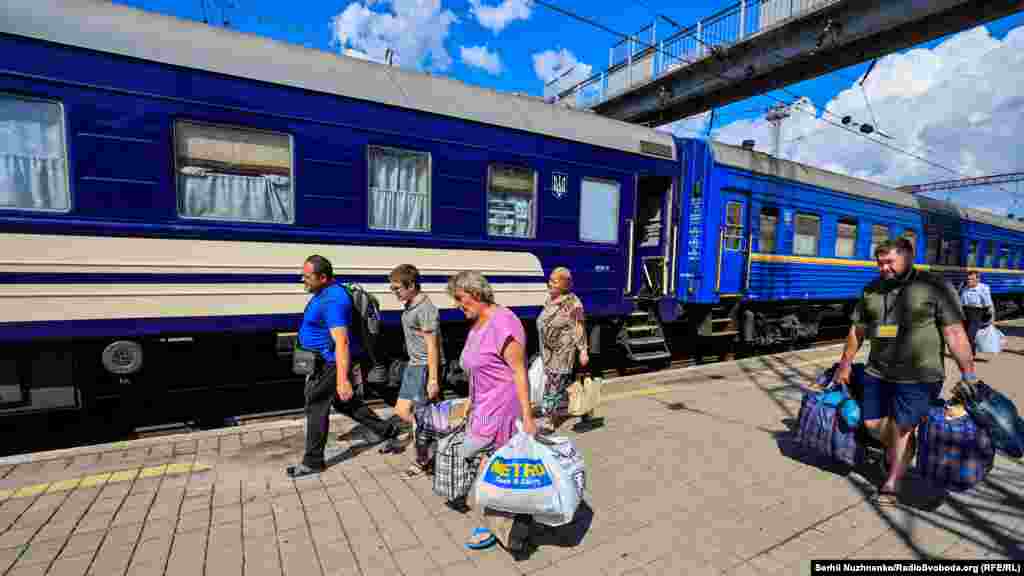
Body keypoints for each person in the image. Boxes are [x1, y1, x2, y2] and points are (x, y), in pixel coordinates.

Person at [834, 237, 977, 505]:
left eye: (889, 262)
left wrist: (968, 374)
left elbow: (955, 334)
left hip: (920, 375)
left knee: (901, 427)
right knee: (872, 424)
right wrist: (845, 363)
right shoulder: (872, 289)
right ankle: (905, 447)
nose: (883, 268)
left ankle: (892, 482)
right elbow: (857, 330)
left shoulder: (935, 286)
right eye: (879, 263)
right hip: (878, 372)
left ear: (908, 256)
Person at [447, 271, 536, 552]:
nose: (457, 305)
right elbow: (478, 369)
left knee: (493, 467)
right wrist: (470, 401)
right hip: (484, 406)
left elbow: (519, 372)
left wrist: (528, 417)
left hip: (503, 408)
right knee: (490, 465)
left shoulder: (504, 322)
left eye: (459, 298)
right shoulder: (478, 323)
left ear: (475, 294)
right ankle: (509, 521)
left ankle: (502, 527)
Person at [287, 255, 398, 479]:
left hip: (329, 363)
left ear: (323, 277)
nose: (302, 279)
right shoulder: (325, 293)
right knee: (344, 402)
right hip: (322, 361)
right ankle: (386, 430)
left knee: (316, 405)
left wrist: (342, 379)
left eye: (307, 276)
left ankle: (313, 462)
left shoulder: (333, 301)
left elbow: (342, 341)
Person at [382, 264, 445, 476]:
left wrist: (433, 379)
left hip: (425, 367)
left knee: (421, 416)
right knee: (404, 412)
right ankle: (439, 433)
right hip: (414, 365)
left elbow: (432, 346)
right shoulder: (410, 305)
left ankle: (424, 459)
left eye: (397, 288)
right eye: (392, 288)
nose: (394, 292)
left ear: (411, 285)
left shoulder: (426, 309)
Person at [536, 267, 591, 433]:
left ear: (564, 284)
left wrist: (583, 350)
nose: (549, 284)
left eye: (554, 281)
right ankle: (581, 407)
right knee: (560, 384)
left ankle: (549, 420)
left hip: (562, 353)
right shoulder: (550, 299)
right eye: (550, 280)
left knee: (554, 385)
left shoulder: (573, 303)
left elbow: (578, 328)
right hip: (548, 352)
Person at [960, 270, 995, 357]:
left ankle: (970, 354)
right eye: (968, 279)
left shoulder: (983, 288)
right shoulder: (964, 287)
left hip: (976, 312)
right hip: (965, 312)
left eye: (972, 279)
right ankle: (971, 352)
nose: (969, 281)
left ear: (978, 280)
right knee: (965, 335)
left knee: (970, 334)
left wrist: (992, 318)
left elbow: (989, 304)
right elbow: (960, 300)